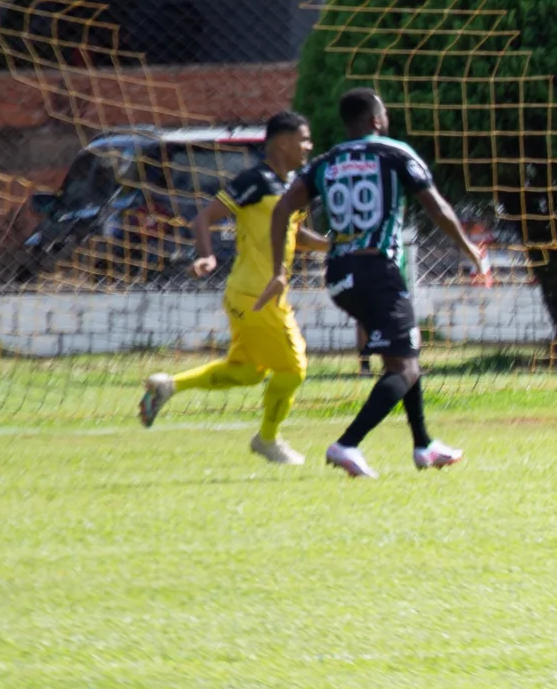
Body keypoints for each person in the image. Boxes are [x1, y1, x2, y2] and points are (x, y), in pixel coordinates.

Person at [258, 88, 491, 478]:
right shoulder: (394, 153)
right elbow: (436, 207)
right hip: (377, 273)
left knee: (404, 356)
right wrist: (470, 250)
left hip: (339, 276)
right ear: (375, 121)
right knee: (404, 369)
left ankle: (424, 445)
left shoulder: (326, 162)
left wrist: (278, 271)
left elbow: (283, 209)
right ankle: (347, 444)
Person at [138, 112, 328, 463]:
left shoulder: (292, 188)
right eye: (304, 139)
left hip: (256, 295)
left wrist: (331, 246)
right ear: (283, 142)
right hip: (256, 295)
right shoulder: (254, 180)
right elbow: (204, 219)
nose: (308, 146)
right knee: (293, 369)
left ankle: (169, 386)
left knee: (246, 372)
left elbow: (295, 235)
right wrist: (207, 257)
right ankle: (268, 440)